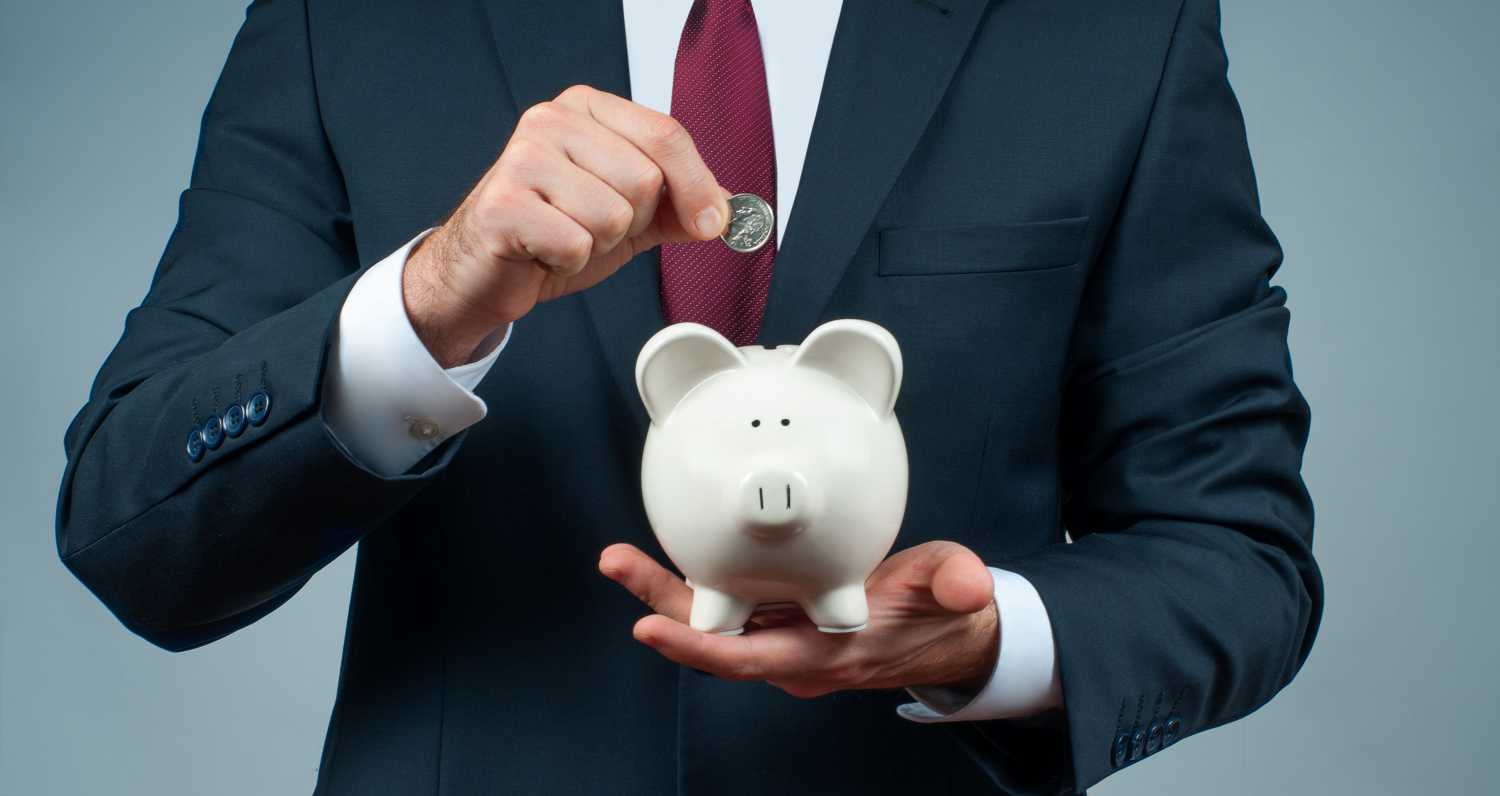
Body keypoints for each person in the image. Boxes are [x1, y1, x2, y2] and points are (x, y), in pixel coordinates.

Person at [54, 0, 1322, 793]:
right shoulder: (360, 19)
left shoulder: (1112, 28)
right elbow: (131, 525)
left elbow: (1238, 553)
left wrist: (991, 641)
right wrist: (429, 302)